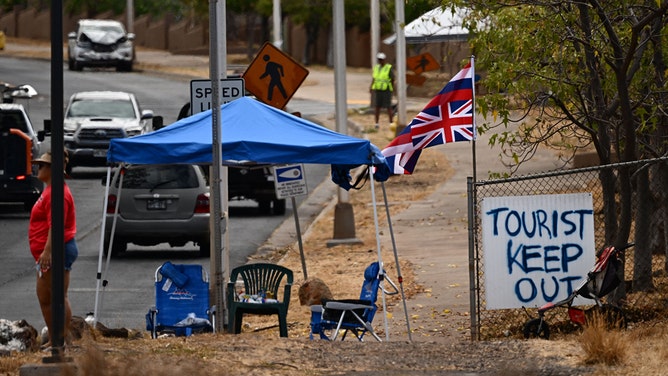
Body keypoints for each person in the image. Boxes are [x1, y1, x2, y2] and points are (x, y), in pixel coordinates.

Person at [29, 151, 78, 350]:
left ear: (52, 169)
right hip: (47, 250)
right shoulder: (50, 190)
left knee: (58, 295)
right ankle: (54, 338)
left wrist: (48, 251)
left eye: (42, 165)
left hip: (58, 249)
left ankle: (62, 339)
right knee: (45, 296)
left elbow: (55, 225)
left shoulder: (58, 193)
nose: (38, 168)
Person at [370, 52, 395, 129]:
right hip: (378, 90)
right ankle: (376, 123)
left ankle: (391, 123)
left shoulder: (388, 67)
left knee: (388, 107)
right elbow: (374, 78)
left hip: (386, 89)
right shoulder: (376, 68)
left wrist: (392, 88)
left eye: (381, 60)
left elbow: (392, 79)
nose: (380, 61)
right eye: (379, 60)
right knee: (377, 107)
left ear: (384, 60)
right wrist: (371, 87)